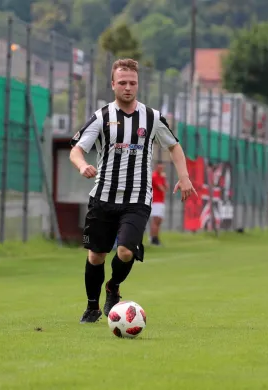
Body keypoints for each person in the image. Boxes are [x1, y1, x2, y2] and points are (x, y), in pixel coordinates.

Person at [70, 58, 197, 324]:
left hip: (137, 198)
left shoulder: (151, 117)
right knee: (96, 255)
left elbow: (173, 146)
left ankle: (113, 286)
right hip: (103, 197)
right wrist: (82, 166)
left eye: (133, 83)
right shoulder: (102, 116)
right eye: (123, 83)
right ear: (113, 84)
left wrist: (184, 177)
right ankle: (92, 306)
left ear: (138, 85)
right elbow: (77, 149)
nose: (128, 87)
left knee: (126, 251)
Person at [150, 162, 169, 246]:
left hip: (161, 201)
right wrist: (163, 184)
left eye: (162, 168)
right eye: (159, 168)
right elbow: (162, 188)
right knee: (156, 220)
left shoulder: (162, 177)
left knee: (159, 221)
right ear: (156, 167)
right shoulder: (154, 176)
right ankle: (154, 238)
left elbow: (167, 187)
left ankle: (154, 237)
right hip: (155, 201)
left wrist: (164, 178)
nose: (161, 169)